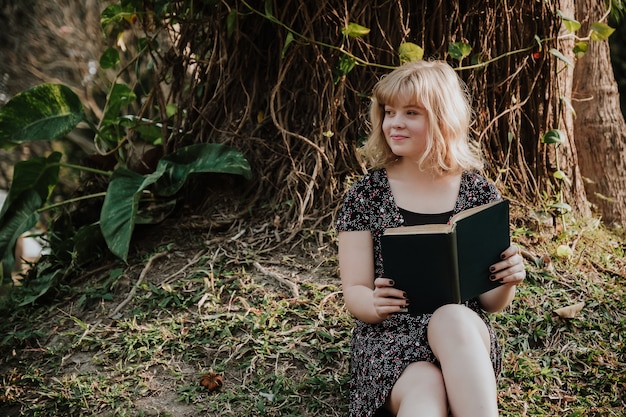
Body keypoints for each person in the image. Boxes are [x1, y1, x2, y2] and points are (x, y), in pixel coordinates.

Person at [336, 60, 526, 417]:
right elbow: (355, 290)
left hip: (461, 337)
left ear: (442, 119)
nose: (394, 123)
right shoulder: (366, 194)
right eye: (389, 112)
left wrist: (508, 279)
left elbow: (489, 301)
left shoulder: (479, 192)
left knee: (451, 316)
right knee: (426, 390)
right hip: (390, 339)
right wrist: (373, 305)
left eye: (411, 113)